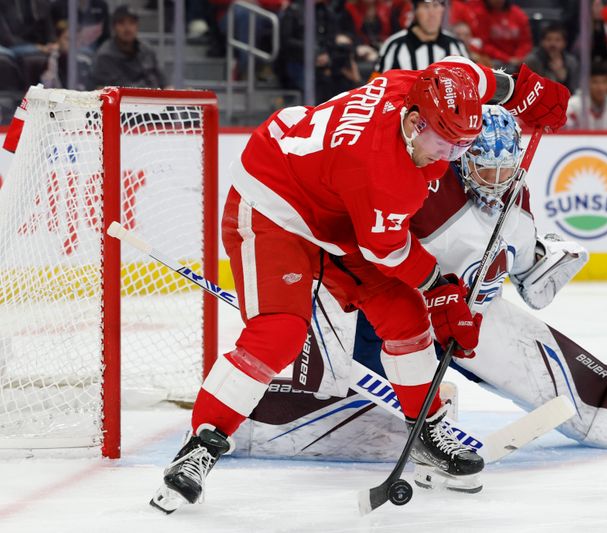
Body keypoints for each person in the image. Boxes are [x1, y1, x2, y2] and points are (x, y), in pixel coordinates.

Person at [149, 57, 570, 513]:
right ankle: (200, 447)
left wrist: (525, 90)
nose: (443, 158)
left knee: (406, 319)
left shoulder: (426, 91)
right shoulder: (384, 173)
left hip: (337, 208)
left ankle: (426, 431)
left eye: (457, 149)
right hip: (275, 202)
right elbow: (387, 251)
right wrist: (440, 291)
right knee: (280, 333)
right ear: (412, 123)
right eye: (438, 143)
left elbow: (467, 73)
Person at [231, 106, 607, 491]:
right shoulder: (423, 191)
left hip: (467, 319)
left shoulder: (517, 205)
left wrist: (544, 261)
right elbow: (372, 252)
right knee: (378, 347)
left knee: (606, 408)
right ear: (464, 160)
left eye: (504, 170)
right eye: (486, 170)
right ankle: (311, 402)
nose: (495, 181)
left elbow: (528, 270)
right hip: (394, 317)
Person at [377, 0, 469, 72]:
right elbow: (375, 87)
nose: (432, 14)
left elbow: (470, 86)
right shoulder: (394, 46)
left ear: (443, 9)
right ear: (414, 10)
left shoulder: (456, 46)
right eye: (426, 7)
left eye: (436, 6)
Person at [91, 5, 168, 89]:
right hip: (122, 100)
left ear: (137, 26)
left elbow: (165, 84)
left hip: (153, 99)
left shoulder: (147, 50)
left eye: (132, 23)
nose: (127, 28)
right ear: (114, 27)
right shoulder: (105, 56)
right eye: (121, 23)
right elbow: (101, 90)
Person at [566, 60, 607, 130]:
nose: (600, 88)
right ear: (586, 83)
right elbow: (566, 136)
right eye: (595, 82)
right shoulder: (572, 106)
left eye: (604, 82)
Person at [472, 0, 533, 71]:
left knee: (531, 61)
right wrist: (507, 59)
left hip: (518, 59)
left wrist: (518, 57)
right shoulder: (481, 14)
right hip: (495, 59)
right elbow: (484, 44)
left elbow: (525, 42)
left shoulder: (519, 14)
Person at [524, 22, 579, 92]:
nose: (553, 44)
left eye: (557, 40)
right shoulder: (532, 61)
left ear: (564, 43)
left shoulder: (571, 62)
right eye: (549, 39)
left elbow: (575, 89)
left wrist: (564, 77)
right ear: (542, 42)